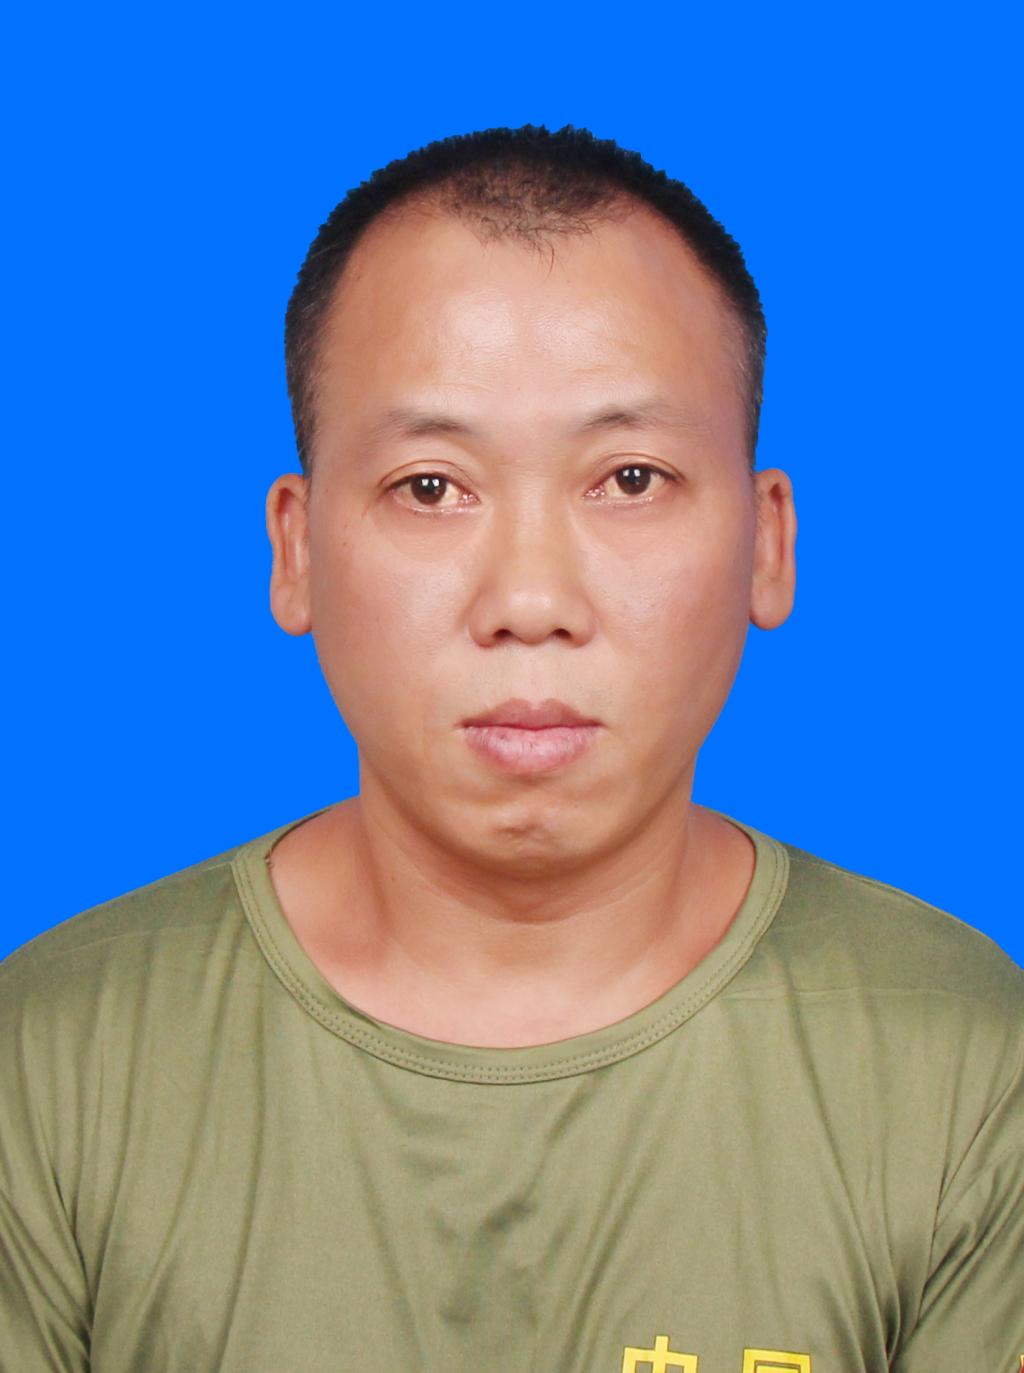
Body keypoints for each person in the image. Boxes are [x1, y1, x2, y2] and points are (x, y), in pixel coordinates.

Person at [1, 123, 1021, 1373]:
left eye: (629, 478)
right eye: (431, 486)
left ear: (767, 543)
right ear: (297, 548)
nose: (530, 599)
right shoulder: (48, 1063)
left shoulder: (965, 1062)